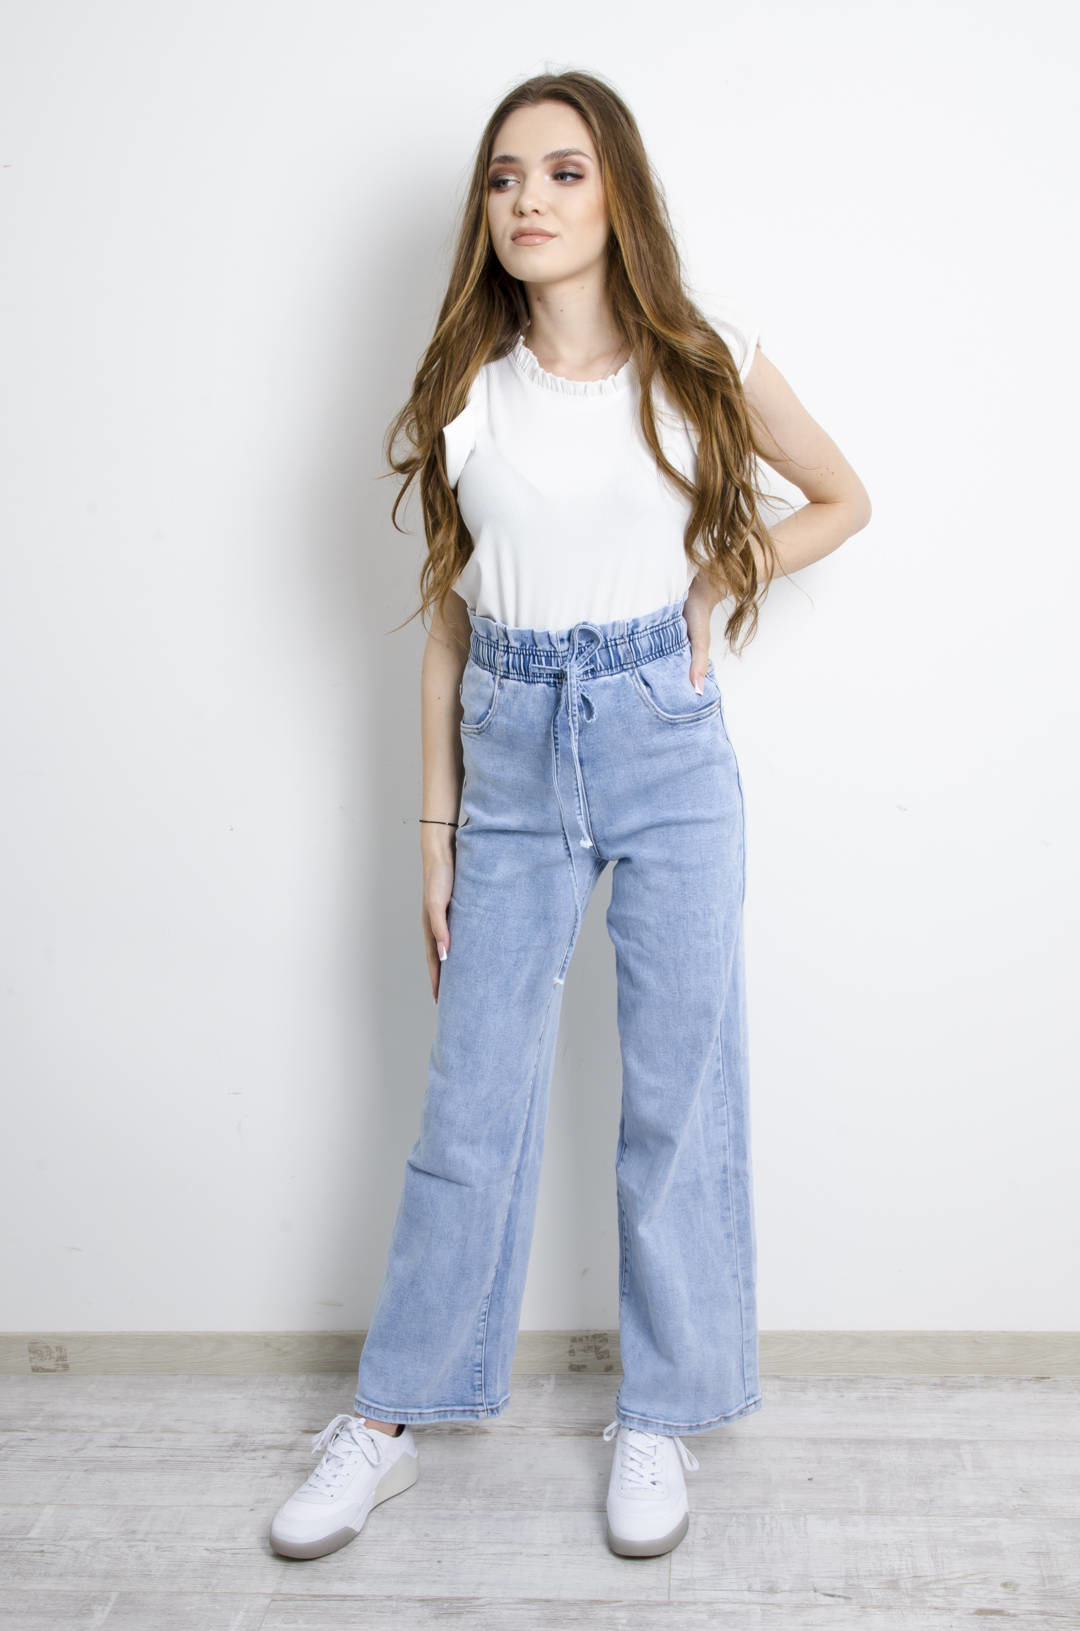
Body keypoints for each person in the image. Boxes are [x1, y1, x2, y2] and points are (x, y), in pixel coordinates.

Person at [270, 68, 871, 1563]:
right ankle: (391, 1419)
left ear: (618, 197)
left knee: (677, 1093)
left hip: (665, 746)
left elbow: (842, 497)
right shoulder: (468, 390)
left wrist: (727, 573)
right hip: (512, 754)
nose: (528, 200)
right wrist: (434, 833)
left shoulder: (704, 358)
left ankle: (660, 1414)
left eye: (562, 172)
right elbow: (448, 626)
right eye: (504, 178)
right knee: (471, 1099)